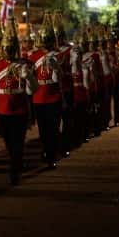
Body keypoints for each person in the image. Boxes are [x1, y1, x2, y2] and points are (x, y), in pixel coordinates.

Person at [0, 17, 38, 185]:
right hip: (3, 109)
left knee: (18, 142)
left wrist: (28, 76)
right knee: (9, 142)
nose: (8, 51)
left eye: (11, 48)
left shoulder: (25, 64)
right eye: (6, 48)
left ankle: (15, 171)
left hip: (20, 109)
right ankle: (16, 161)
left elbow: (33, 89)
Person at [28, 12, 62, 169]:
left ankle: (52, 155)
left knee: (53, 128)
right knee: (43, 129)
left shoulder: (59, 55)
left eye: (49, 39)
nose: (46, 42)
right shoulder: (34, 56)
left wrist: (56, 68)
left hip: (53, 95)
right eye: (45, 39)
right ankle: (46, 150)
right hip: (39, 96)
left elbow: (61, 77)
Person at [52, 10, 73, 158]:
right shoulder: (49, 52)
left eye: (59, 36)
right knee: (53, 122)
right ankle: (52, 147)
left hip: (66, 87)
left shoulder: (70, 51)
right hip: (53, 90)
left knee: (67, 119)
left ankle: (65, 145)